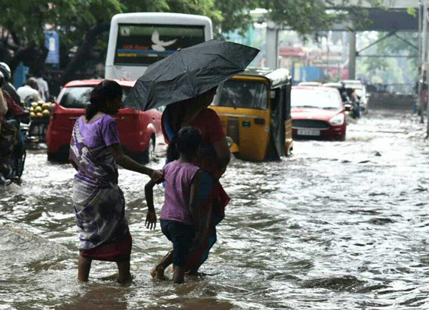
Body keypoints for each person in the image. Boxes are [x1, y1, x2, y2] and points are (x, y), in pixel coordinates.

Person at [68, 80, 162, 284]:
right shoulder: (107, 122)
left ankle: (82, 285)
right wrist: (149, 171)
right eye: (118, 100)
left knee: (87, 240)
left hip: (80, 191)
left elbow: (73, 158)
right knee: (121, 237)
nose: (120, 104)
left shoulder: (81, 121)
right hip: (103, 191)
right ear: (109, 101)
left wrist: (88, 175)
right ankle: (123, 280)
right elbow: (119, 157)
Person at [157, 87, 230, 275]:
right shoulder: (208, 117)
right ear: (201, 92)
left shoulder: (169, 114)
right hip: (200, 181)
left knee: (183, 231)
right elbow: (223, 156)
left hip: (173, 180)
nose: (212, 96)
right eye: (211, 92)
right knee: (201, 233)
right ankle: (185, 275)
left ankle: (168, 268)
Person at [145, 127, 204, 283]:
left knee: (181, 248)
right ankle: (177, 300)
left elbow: (148, 186)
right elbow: (192, 203)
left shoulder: (168, 167)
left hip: (166, 221)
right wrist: (198, 226)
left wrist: (151, 210)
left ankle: (160, 267)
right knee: (180, 268)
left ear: (177, 147)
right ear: (198, 148)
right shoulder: (195, 172)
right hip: (182, 223)